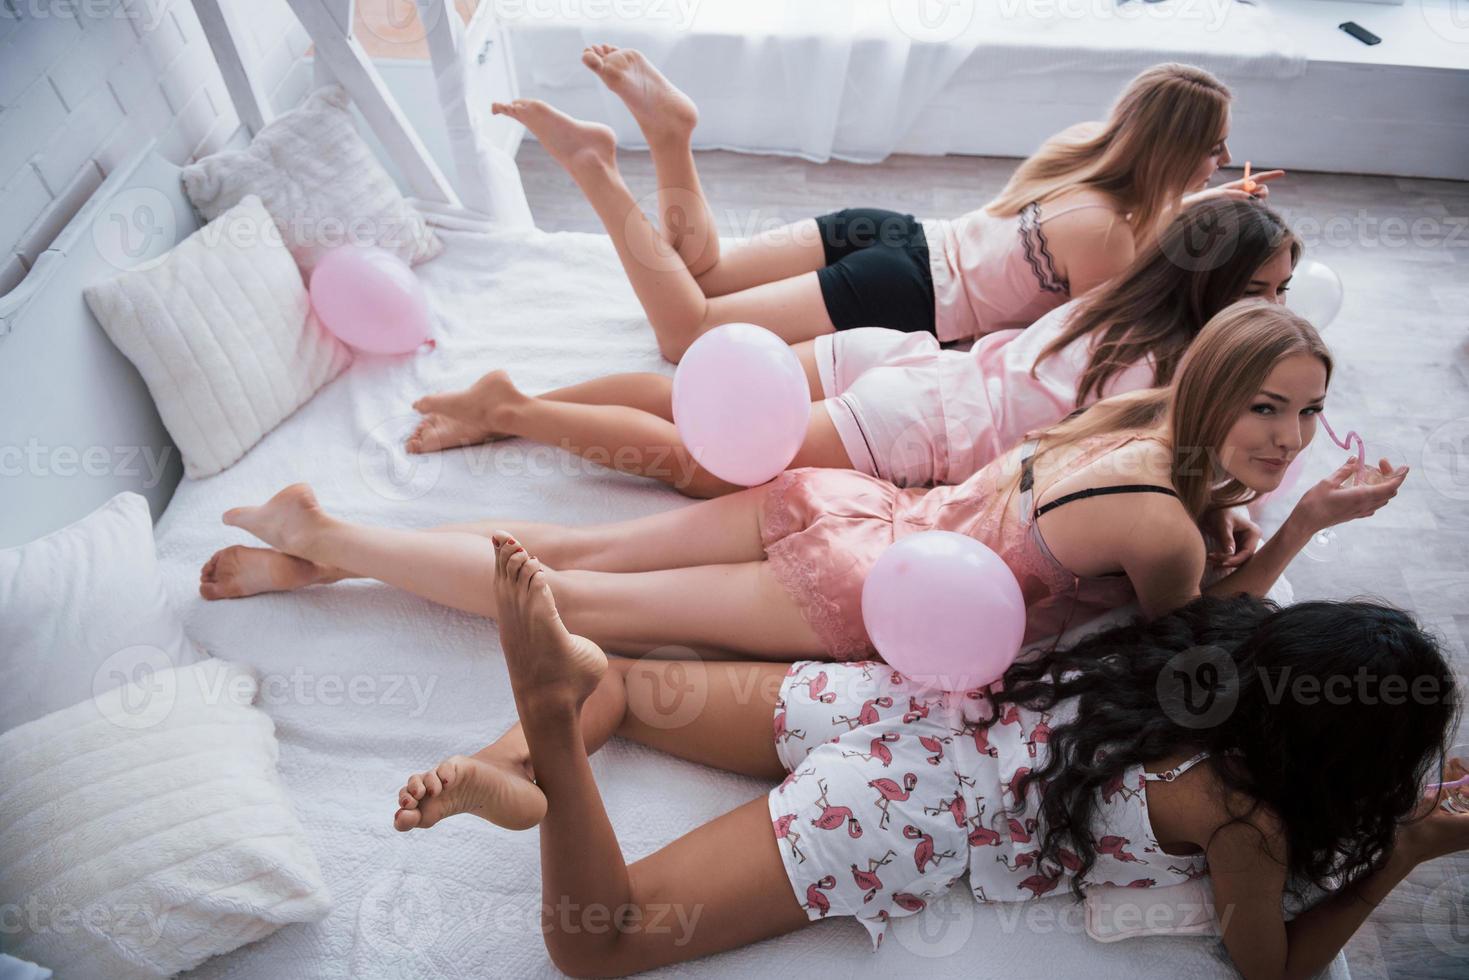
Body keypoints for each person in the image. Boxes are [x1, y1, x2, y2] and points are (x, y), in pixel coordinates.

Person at [392, 543, 1466, 978]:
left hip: (915, 705)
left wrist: (1306, 524)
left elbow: (1233, 590)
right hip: (904, 809)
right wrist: (1404, 848)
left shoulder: (1209, 647)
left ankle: (529, 745)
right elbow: (1266, 966)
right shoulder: (1250, 824)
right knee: (599, 939)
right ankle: (548, 747)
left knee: (618, 680)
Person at [200, 303, 1404, 662]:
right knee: (577, 602)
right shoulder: (1168, 530)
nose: (1290, 435)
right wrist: (1295, 523)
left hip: (851, 505)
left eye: (1305, 411)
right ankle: (338, 538)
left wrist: (1255, 501)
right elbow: (1194, 644)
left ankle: (320, 545)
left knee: (584, 555)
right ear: (1210, 395)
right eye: (1264, 407)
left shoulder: (1133, 414)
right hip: (856, 582)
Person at [406, 198, 1299, 512]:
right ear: (1216, 283)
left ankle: (506, 401)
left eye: (1281, 295)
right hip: (919, 420)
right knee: (705, 463)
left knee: (694, 394)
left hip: (907, 361)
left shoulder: (1133, 288)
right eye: (1258, 290)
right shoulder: (1188, 365)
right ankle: (510, 410)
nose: (1272, 311)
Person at [479, 48, 1281, 362]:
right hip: (905, 291)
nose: (1220, 163)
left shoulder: (1082, 152)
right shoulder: (1116, 239)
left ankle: (671, 138)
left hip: (891, 231)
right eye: (1214, 150)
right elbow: (1076, 341)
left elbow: (1144, 198)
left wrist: (1206, 194)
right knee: (685, 334)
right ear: (1181, 156)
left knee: (706, 274)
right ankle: (594, 165)